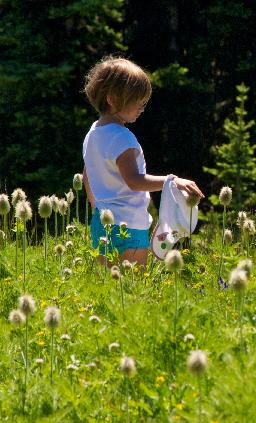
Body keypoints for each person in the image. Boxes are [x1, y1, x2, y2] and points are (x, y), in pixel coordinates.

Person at [82, 56, 204, 267]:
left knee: (108, 287)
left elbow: (87, 176)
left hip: (102, 222)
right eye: (137, 101)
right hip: (128, 225)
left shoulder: (93, 133)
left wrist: (98, 207)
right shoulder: (122, 137)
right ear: (112, 98)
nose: (142, 107)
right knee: (131, 288)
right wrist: (172, 181)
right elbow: (135, 181)